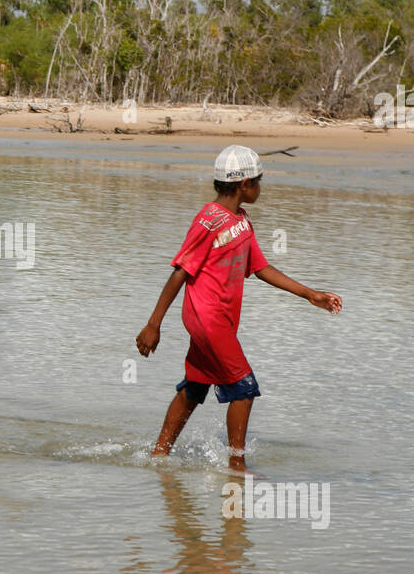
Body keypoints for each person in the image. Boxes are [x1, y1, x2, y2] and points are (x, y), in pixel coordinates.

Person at [135, 145, 342, 471]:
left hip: (216, 321)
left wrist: (309, 294)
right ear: (244, 185)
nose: (261, 187)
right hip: (208, 318)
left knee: (195, 387)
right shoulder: (209, 220)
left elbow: (261, 268)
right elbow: (180, 271)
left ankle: (158, 455)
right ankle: (237, 467)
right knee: (244, 389)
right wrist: (153, 324)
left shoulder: (241, 222)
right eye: (258, 181)